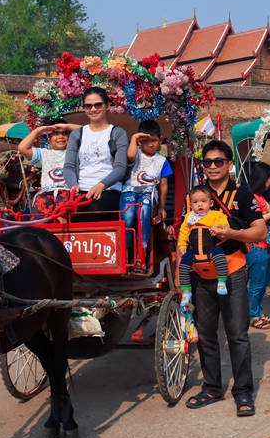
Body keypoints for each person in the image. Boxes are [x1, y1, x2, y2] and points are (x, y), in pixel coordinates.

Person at [183, 140, 266, 418]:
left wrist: (232, 235)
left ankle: (243, 392)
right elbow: (184, 231)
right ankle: (211, 388)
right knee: (206, 335)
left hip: (231, 270)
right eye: (208, 162)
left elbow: (260, 232)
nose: (213, 166)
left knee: (237, 335)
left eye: (219, 161)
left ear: (230, 164)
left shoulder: (242, 195)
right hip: (199, 273)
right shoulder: (196, 195)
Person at [63, 87, 129, 220]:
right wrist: (73, 185)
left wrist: (101, 185)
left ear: (107, 106)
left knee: (95, 212)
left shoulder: (117, 133)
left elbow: (120, 168)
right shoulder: (77, 134)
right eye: (88, 106)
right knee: (69, 215)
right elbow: (69, 166)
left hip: (108, 189)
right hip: (81, 190)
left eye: (98, 105)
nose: (93, 109)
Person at [119, 120, 172, 268]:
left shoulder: (162, 161)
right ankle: (127, 253)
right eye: (146, 141)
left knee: (144, 212)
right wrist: (135, 138)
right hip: (129, 190)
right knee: (128, 217)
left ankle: (143, 252)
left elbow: (163, 185)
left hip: (148, 193)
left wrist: (162, 207)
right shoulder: (136, 154)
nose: (150, 144)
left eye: (154, 140)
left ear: (160, 140)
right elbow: (129, 157)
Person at [17, 118, 82, 218]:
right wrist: (39, 130)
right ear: (49, 139)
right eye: (55, 134)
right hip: (46, 193)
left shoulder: (76, 152)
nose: (60, 137)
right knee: (38, 220)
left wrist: (67, 126)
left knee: (63, 214)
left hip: (68, 192)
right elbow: (22, 148)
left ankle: (61, 223)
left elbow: (89, 133)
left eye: (64, 133)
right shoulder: (44, 153)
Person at [242, 161, 270, 329]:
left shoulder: (259, 197)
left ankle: (259, 312)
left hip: (263, 246)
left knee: (263, 283)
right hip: (255, 247)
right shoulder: (250, 197)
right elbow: (248, 223)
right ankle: (254, 316)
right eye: (269, 178)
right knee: (257, 285)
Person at [177, 185, 230, 297]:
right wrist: (182, 246)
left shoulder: (216, 215)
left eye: (203, 201)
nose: (199, 204)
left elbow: (225, 225)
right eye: (195, 202)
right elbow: (183, 232)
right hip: (194, 251)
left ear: (210, 203)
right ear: (191, 205)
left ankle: (221, 282)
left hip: (211, 247)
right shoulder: (189, 217)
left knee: (220, 258)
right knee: (183, 266)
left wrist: (218, 229)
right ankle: (186, 292)